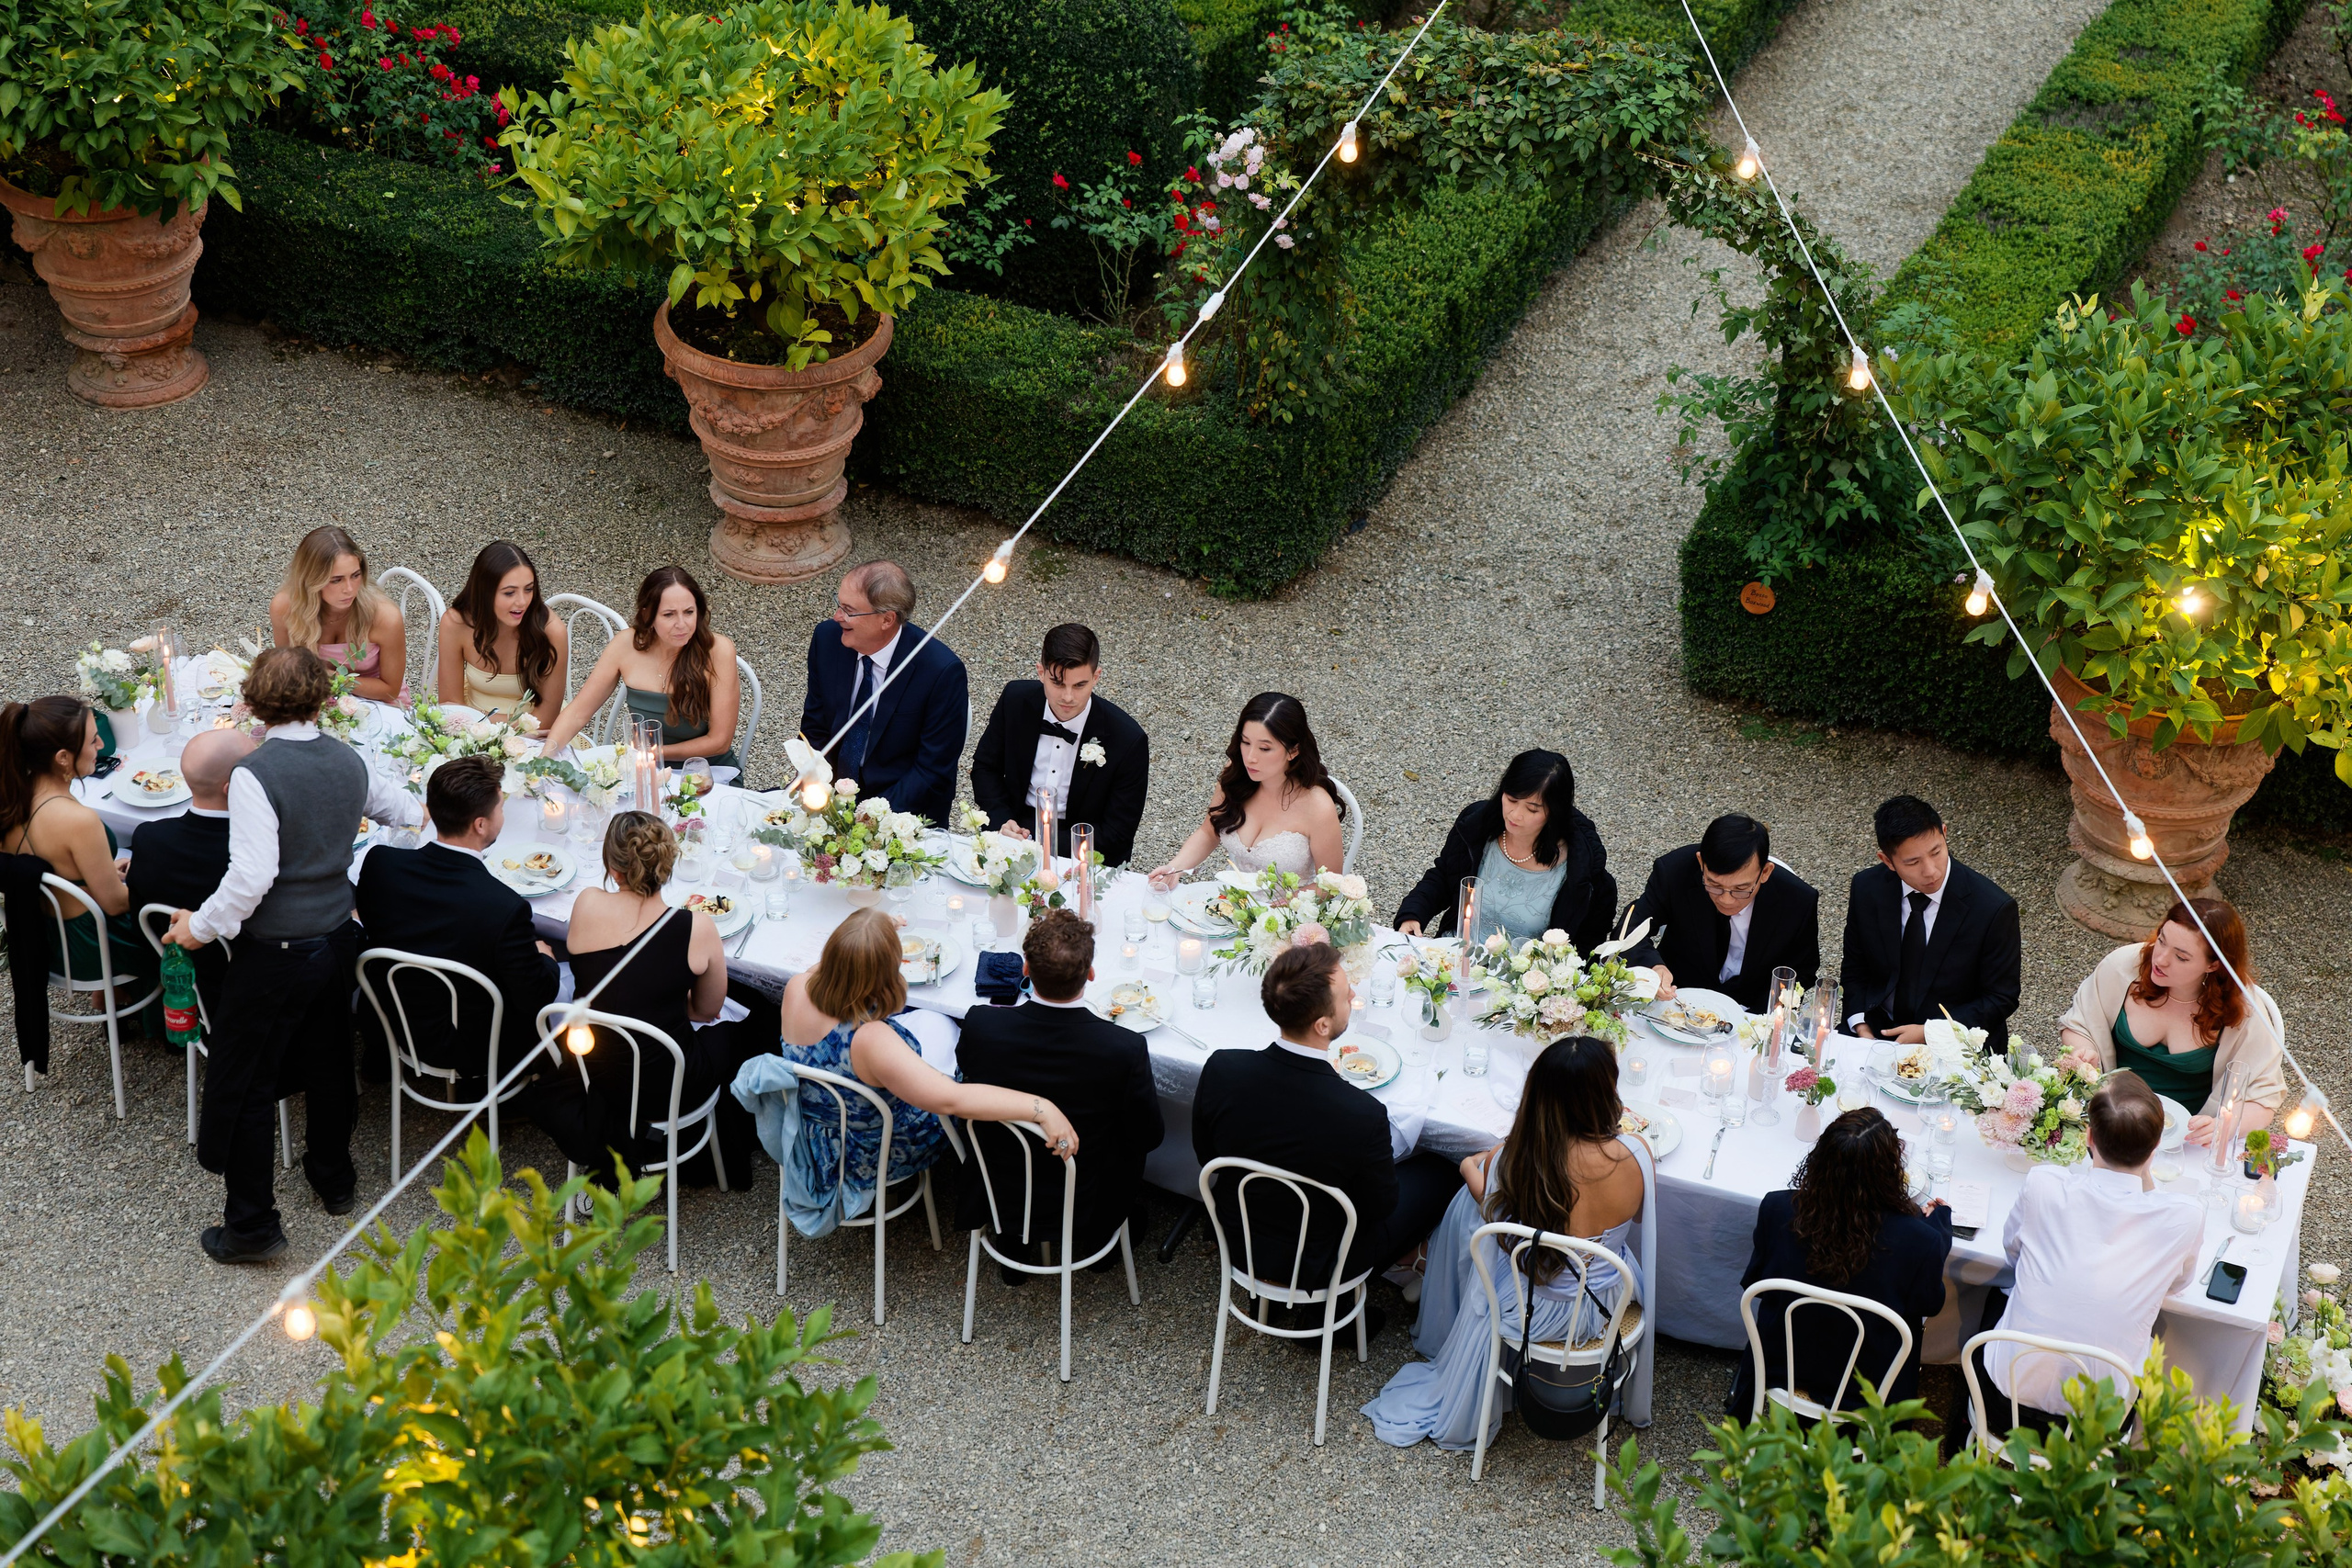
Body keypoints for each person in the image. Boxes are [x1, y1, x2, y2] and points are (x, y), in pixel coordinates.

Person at [164, 648, 425, 1263]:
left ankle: (252, 1224)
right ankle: (332, 1178)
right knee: (330, 1062)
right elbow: (410, 815)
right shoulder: (348, 759)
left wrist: (200, 927)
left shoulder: (256, 773)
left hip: (277, 949)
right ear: (323, 700)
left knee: (248, 1081)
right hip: (336, 939)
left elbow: (252, 875)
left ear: (252, 703)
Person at [1363, 1035, 1647, 1451]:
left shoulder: (1522, 1159)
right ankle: (1423, 1265)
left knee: (1468, 1202)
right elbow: (1638, 1218)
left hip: (1532, 1304)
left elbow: (1495, 1222)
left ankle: (1427, 1268)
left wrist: (1466, 1165)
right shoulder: (1636, 1154)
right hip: (1608, 1299)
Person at [753, 907, 1081, 1238]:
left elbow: (841, 962)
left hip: (814, 1131)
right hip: (868, 1150)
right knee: (960, 1062)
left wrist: (874, 932)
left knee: (934, 1025)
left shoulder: (797, 987)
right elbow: (953, 1100)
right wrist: (1042, 1107)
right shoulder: (871, 1040)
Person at [353, 755, 608, 1172]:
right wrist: (544, 956)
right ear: (481, 825)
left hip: (393, 1018)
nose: (502, 814)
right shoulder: (502, 906)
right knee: (572, 972)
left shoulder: (381, 865)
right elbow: (536, 996)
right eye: (501, 808)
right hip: (475, 1044)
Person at [1192, 941, 1461, 1335]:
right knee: (1443, 1172)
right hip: (1324, 1260)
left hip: (1241, 1237)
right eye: (1345, 994)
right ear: (1321, 1024)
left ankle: (1273, 1294)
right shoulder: (1362, 1114)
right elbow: (1380, 1205)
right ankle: (1330, 1312)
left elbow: (1206, 1154)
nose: (1355, 995)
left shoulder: (1221, 1068)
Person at [1975, 1072, 2201, 1437]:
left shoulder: (2044, 1183)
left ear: (2089, 1137)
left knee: (1996, 1294)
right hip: (2099, 1420)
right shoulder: (2184, 1216)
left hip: (2006, 1399)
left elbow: (2012, 1256)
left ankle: (1965, 1435)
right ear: (2156, 1146)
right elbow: (2176, 1285)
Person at [955, 908, 1163, 1272]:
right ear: (1092, 974)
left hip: (1001, 1187)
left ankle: (1014, 1245)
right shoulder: (1123, 1047)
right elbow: (1149, 1134)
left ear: (1025, 971)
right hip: (1085, 1195)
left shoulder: (982, 1024)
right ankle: (1100, 1240)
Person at [562, 810, 765, 1176]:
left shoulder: (586, 903)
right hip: (669, 1087)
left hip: (594, 1066)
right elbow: (706, 1011)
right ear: (668, 866)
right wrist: (663, 1000)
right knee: (750, 1023)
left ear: (612, 868)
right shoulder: (696, 928)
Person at [1728, 1108, 1952, 1416]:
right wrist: (1937, 1231)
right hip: (1866, 1381)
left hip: (1784, 1359)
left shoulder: (1778, 1208)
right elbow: (1927, 1304)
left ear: (1819, 1159)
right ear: (1890, 1171)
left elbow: (1756, 1284)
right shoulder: (1919, 1240)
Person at [2057, 897, 2281, 1147]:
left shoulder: (2245, 1010)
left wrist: (2223, 1126)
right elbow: (2079, 1024)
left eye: (2181, 957)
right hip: (2109, 1122)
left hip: (2187, 1142)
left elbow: (2265, 1096)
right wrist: (2083, 1052)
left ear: (2213, 964)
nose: (2160, 959)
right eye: (2161, 941)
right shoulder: (2122, 967)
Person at [0, 695, 156, 1032]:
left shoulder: (12, 797)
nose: (101, 745)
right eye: (92, 740)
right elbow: (114, 903)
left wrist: (92, 878)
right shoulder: (78, 820)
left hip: (37, 935)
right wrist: (157, 886)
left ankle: (110, 994)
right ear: (62, 758)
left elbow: (49, 870)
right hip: (88, 947)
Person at [1841, 795, 2021, 1050]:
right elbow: (1855, 967)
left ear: (1944, 833)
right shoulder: (1866, 887)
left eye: (1936, 852)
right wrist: (1860, 1024)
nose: (1931, 871)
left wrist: (1931, 1032)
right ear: (1887, 861)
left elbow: (2001, 997)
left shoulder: (1993, 908)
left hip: (1954, 1040)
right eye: (1912, 862)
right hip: (1875, 1028)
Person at [1393, 750, 1614, 953]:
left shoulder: (1584, 871)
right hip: (1455, 958)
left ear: (1555, 812)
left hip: (1526, 984)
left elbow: (1587, 949)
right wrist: (1413, 913)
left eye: (1532, 809)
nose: (1515, 815)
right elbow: (1443, 877)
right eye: (1511, 800)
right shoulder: (1476, 826)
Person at [797, 560, 967, 826]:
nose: (837, 616)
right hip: (830, 795)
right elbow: (815, 727)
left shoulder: (941, 672)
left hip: (903, 808)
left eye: (849, 610)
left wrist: (869, 818)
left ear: (887, 619)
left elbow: (931, 770)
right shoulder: (827, 639)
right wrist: (820, 789)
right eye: (839, 603)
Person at [969, 623, 1150, 865]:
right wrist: (1002, 819)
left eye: (1079, 685)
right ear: (1040, 672)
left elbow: (1118, 830)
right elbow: (985, 767)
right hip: (1013, 826)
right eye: (1057, 683)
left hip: (1081, 846)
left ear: (1096, 676)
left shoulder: (1128, 739)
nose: (1067, 697)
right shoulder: (1015, 700)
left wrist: (1041, 844)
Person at [539, 566, 741, 774]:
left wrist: (652, 753)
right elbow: (578, 712)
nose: (682, 624)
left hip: (708, 772)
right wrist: (545, 755)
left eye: (689, 612)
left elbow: (719, 741)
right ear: (648, 615)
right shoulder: (625, 645)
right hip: (647, 769)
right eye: (669, 614)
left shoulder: (718, 651)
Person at [1623, 813, 1819, 1012]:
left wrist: (1761, 1019)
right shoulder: (1674, 872)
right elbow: (1630, 926)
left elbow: (1803, 970)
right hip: (1677, 1001)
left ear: (1766, 872)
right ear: (1701, 863)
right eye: (1714, 885)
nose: (1726, 899)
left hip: (1752, 1010)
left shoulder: (1798, 900)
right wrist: (1653, 967)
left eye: (1741, 889)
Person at [1147, 694, 1345, 886]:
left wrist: (1287, 905)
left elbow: (1330, 884)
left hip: (1288, 913)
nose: (1250, 757)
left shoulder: (1317, 806)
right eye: (1246, 742)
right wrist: (1174, 869)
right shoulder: (1235, 777)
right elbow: (1208, 833)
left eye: (1265, 748)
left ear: (1293, 750)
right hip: (1231, 906)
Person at [125, 726, 254, 1020]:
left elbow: (140, 923)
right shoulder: (256, 851)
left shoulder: (147, 837)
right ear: (232, 786)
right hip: (251, 977)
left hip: (183, 967)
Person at [269, 525, 408, 703]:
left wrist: (330, 678)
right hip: (314, 700)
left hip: (380, 707)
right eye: (336, 580)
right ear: (311, 580)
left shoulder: (384, 616)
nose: (349, 589)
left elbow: (390, 691)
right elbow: (287, 669)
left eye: (356, 575)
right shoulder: (285, 607)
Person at [435, 541, 568, 727]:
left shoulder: (552, 632)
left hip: (531, 733)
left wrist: (480, 721)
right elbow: (449, 703)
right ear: (485, 593)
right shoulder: (456, 623)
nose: (522, 602)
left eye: (529, 589)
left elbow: (545, 719)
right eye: (509, 593)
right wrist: (475, 726)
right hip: (467, 728)